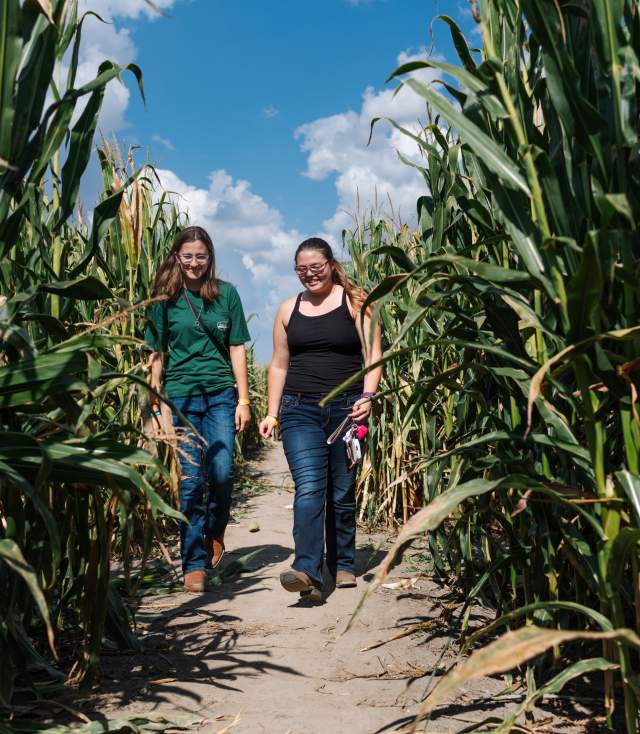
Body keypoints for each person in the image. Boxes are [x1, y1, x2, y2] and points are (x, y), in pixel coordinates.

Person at [259, 237, 382, 602]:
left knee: (341, 492)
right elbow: (279, 364)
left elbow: (373, 354)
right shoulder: (287, 309)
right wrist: (271, 411)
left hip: (347, 408)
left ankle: (343, 562)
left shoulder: (355, 302)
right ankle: (308, 572)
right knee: (310, 486)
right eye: (301, 269)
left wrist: (368, 397)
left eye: (316, 267)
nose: (309, 275)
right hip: (300, 409)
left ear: (330, 264)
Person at [146, 225, 251, 593]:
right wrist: (157, 404)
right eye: (187, 256)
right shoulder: (165, 299)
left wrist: (244, 399)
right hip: (182, 396)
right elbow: (156, 353)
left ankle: (214, 532)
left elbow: (237, 346)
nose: (194, 263)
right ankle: (193, 563)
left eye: (201, 256)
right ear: (177, 257)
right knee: (190, 481)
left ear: (210, 258)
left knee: (221, 474)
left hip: (222, 394)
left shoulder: (227, 295)